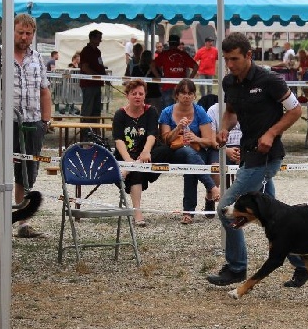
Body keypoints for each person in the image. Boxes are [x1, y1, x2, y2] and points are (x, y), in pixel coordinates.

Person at [206, 32, 308, 288]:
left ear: (249, 55)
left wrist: (272, 133)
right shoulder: (229, 82)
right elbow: (230, 112)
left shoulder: (270, 80)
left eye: (235, 59)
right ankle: (302, 265)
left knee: (226, 208)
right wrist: (225, 129)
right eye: (226, 59)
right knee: (271, 216)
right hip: (248, 154)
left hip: (265, 158)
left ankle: (237, 267)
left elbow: (296, 110)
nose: (230, 64)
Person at [0, 13, 51, 238]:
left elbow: (44, 91)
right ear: (10, 32)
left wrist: (45, 121)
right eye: (20, 32)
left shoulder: (37, 58)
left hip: (32, 123)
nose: (24, 37)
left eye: (29, 33)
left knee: (27, 174)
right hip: (1, 122)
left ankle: (23, 222)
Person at [152, 79, 220, 224]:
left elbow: (209, 140)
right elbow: (165, 141)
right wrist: (178, 128)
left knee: (191, 165)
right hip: (175, 151)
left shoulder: (199, 111)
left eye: (190, 93)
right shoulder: (167, 112)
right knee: (188, 155)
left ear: (194, 95)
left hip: (197, 149)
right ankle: (212, 188)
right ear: (176, 95)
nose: (186, 96)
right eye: (183, 93)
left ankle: (188, 212)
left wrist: (196, 138)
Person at [112, 80, 160, 226]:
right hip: (126, 154)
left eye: (141, 93)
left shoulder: (151, 111)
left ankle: (132, 167)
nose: (137, 97)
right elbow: (118, 139)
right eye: (134, 94)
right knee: (136, 171)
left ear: (145, 95)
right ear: (127, 96)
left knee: (162, 152)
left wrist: (146, 151)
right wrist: (129, 161)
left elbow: (152, 133)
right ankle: (137, 212)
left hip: (145, 154)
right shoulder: (120, 114)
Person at [206, 101, 242, 216]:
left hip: (243, 147)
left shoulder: (246, 106)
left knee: (248, 169)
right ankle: (210, 197)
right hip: (219, 148)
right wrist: (226, 150)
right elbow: (212, 140)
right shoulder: (212, 110)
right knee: (215, 169)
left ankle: (241, 204)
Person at [155, 34, 198, 106]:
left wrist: (159, 78)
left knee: (168, 111)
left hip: (168, 86)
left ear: (169, 43)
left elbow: (152, 65)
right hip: (181, 87)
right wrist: (189, 80)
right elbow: (196, 66)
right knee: (182, 111)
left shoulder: (164, 54)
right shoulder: (184, 54)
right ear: (178, 43)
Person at [79, 29, 107, 126]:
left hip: (97, 84)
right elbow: (85, 68)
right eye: (99, 38)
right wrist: (97, 76)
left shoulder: (98, 51)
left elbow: (100, 65)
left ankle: (95, 132)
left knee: (96, 110)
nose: (100, 40)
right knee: (88, 110)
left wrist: (105, 77)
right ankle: (85, 132)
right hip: (88, 84)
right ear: (92, 38)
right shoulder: (86, 51)